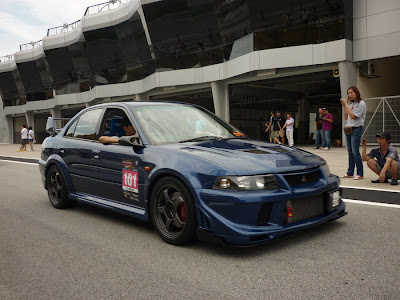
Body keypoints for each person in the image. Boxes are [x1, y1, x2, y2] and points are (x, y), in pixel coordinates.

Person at [340, 86, 367, 180]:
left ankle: (360, 173)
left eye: (352, 93)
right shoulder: (352, 104)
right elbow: (346, 117)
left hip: (356, 129)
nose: (350, 95)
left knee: (355, 152)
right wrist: (344, 106)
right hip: (349, 128)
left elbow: (353, 116)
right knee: (350, 151)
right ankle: (350, 172)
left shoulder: (361, 103)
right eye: (348, 93)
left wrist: (346, 104)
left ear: (356, 93)